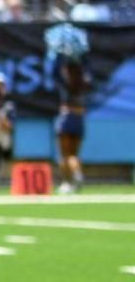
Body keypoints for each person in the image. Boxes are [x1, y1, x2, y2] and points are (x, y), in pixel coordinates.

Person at [52, 53, 88, 196]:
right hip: (80, 118)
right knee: (75, 154)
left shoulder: (65, 83)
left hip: (67, 117)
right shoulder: (84, 83)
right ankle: (76, 173)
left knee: (65, 154)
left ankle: (68, 181)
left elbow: (55, 72)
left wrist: (59, 54)